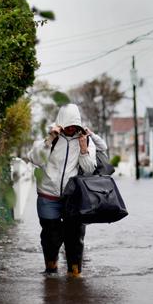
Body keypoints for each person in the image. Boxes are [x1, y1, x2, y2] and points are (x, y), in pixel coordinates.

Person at [27, 103, 104, 276]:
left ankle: (75, 274)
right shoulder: (50, 138)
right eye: (67, 125)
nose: (70, 129)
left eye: (74, 126)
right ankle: (51, 269)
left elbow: (90, 168)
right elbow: (35, 159)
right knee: (50, 236)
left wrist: (84, 148)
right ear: (61, 123)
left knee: (74, 238)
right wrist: (50, 139)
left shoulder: (85, 140)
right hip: (48, 196)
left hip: (73, 198)